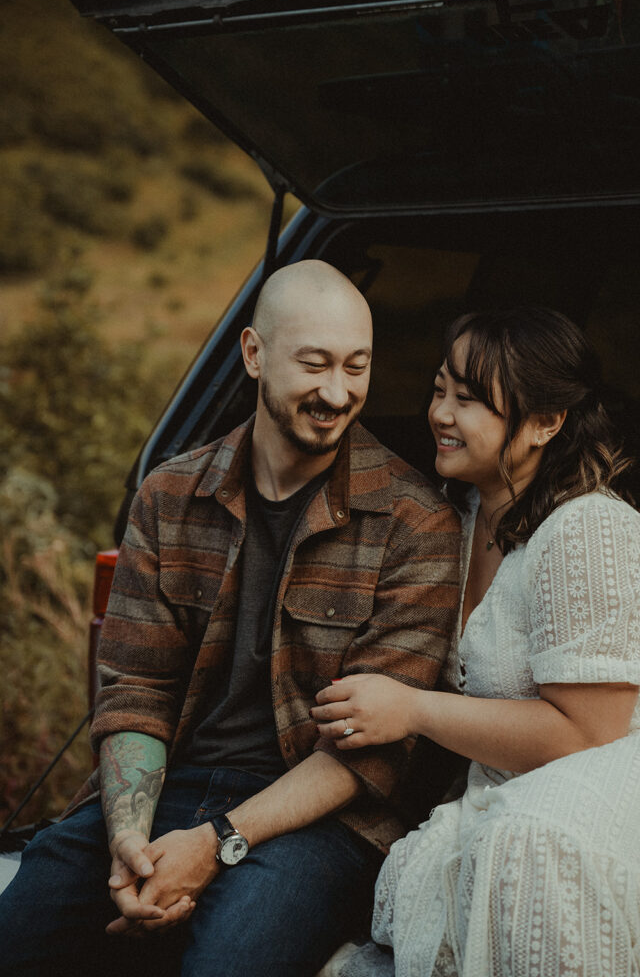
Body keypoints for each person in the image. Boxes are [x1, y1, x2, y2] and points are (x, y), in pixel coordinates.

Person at [0, 259, 461, 977]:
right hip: (170, 787)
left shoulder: (414, 521)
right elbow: (136, 690)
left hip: (321, 818)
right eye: (313, 365)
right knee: (21, 929)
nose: (336, 392)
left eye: (356, 367)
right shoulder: (170, 494)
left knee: (229, 961)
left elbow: (367, 754)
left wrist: (212, 844)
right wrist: (129, 841)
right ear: (253, 354)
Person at [313, 307, 640, 977]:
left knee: (523, 849)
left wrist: (413, 710)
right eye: (438, 390)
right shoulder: (454, 519)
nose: (441, 415)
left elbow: (590, 732)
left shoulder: (589, 530)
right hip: (508, 785)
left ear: (545, 423)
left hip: (618, 788)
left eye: (471, 400)